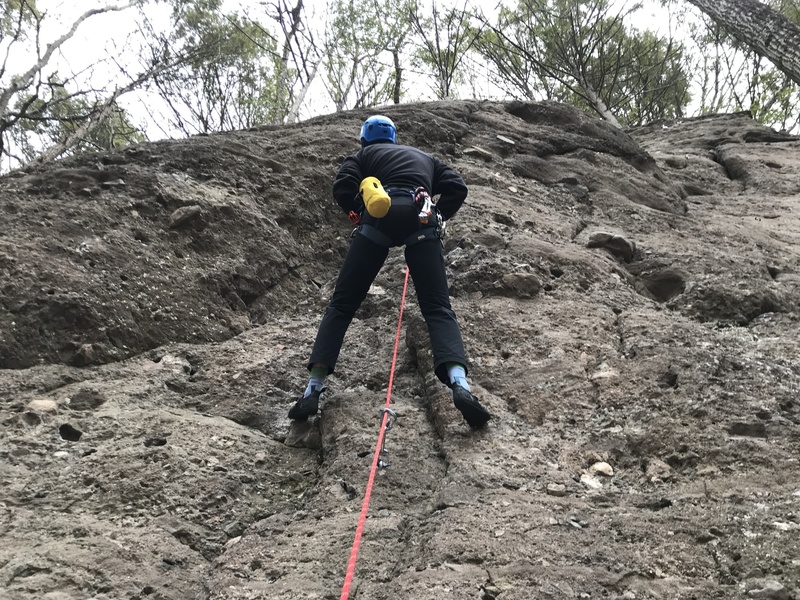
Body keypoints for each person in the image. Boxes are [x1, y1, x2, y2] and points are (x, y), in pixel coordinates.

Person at [288, 115, 491, 429]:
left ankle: (312, 390)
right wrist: (438, 215)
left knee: (341, 306)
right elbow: (457, 188)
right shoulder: (426, 158)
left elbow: (343, 185)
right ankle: (461, 386)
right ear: (395, 138)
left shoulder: (364, 155)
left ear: (364, 139)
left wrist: (358, 213)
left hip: (378, 218)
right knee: (438, 308)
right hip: (420, 217)